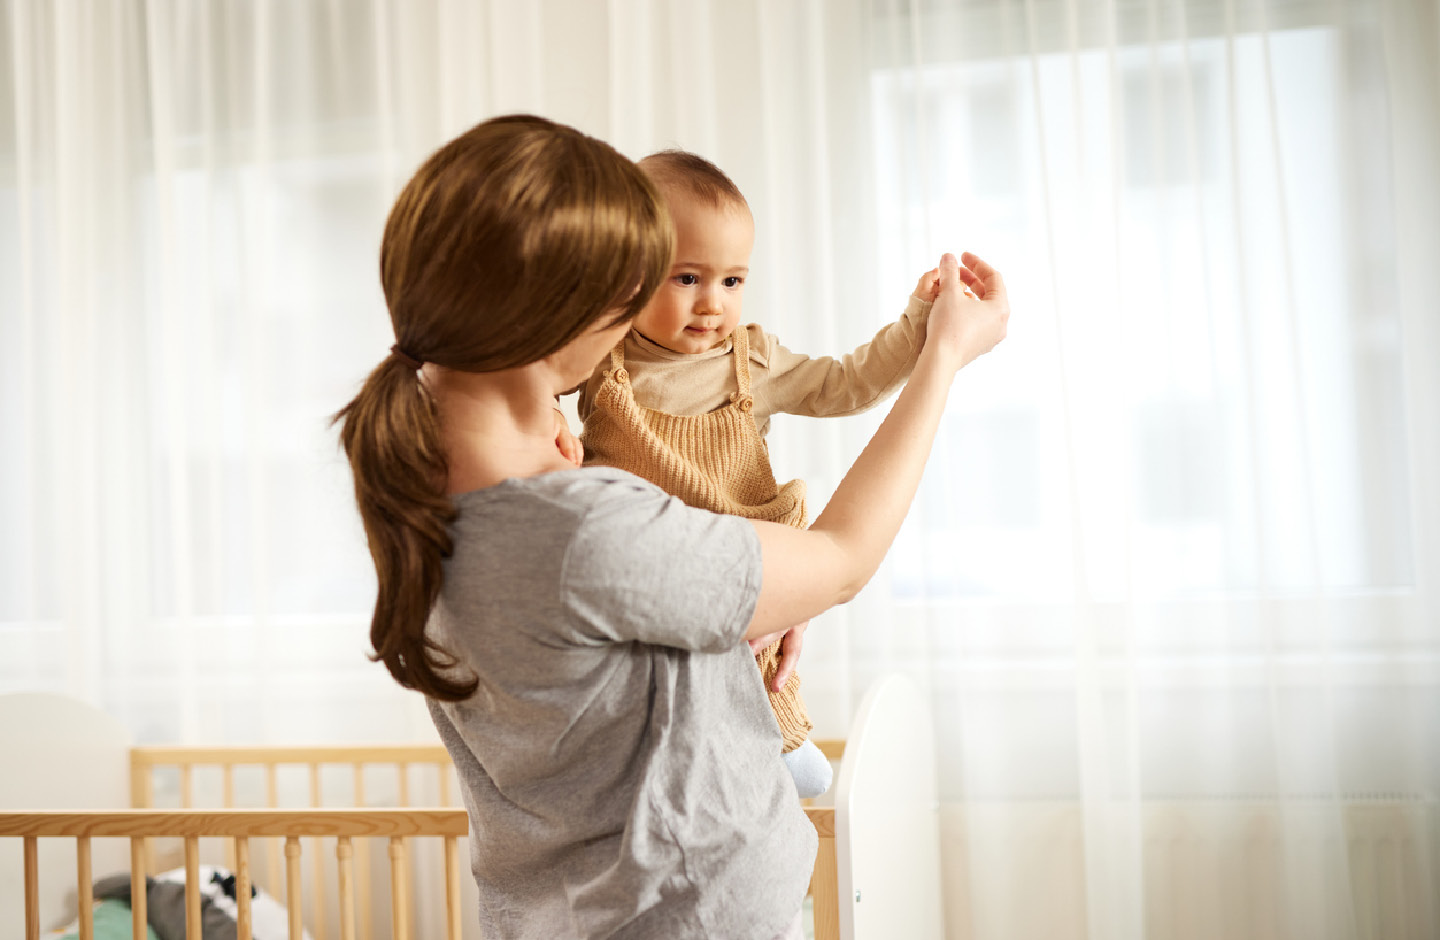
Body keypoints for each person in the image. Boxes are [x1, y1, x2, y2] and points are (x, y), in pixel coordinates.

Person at [334, 114, 1008, 940]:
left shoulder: (427, 501)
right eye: (640, 281)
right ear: (569, 314)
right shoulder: (583, 529)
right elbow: (840, 560)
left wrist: (738, 615)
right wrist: (941, 358)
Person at [560, 150, 943, 798]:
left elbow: (847, 384)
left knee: (774, 715)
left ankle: (779, 778)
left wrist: (919, 324)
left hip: (745, 573)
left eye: (732, 281)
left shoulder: (751, 360)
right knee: (663, 727)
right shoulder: (600, 358)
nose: (712, 303)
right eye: (687, 278)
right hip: (650, 589)